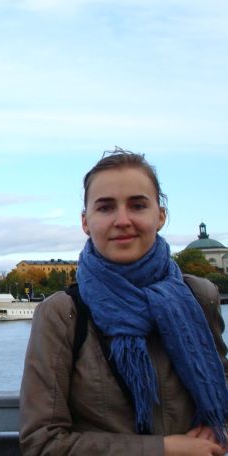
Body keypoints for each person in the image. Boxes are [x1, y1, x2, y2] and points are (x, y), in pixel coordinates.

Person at [20, 149, 228, 455]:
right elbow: (42, 442)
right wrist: (164, 450)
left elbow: (222, 382)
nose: (122, 220)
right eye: (105, 208)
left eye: (138, 205)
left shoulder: (200, 296)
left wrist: (220, 425)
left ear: (160, 216)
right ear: (85, 222)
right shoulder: (62, 314)